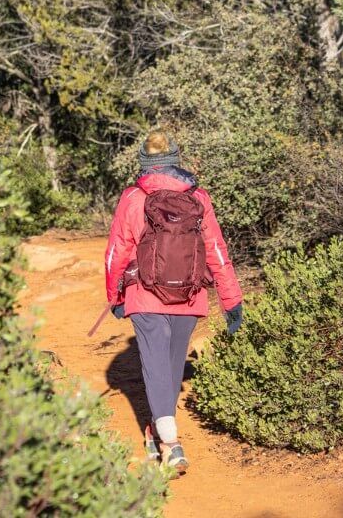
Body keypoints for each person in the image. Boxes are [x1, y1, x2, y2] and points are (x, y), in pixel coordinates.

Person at [104, 131, 243, 475]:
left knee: (156, 370)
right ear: (176, 160)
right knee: (169, 368)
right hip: (190, 296)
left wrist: (115, 296)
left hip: (145, 296)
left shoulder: (133, 197)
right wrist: (231, 300)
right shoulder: (199, 197)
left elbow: (116, 253)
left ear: (143, 163)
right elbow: (216, 252)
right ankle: (163, 436)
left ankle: (169, 442)